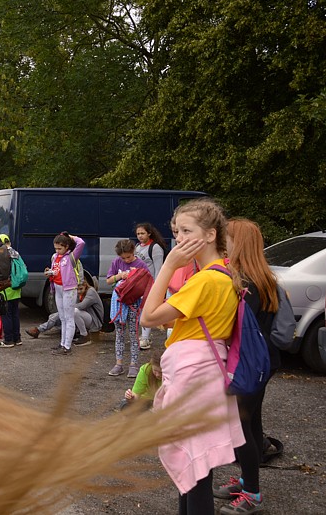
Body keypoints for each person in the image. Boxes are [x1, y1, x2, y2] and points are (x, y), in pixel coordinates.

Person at [140, 197, 245, 515]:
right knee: (197, 470)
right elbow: (177, 318)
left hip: (193, 377)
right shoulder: (225, 272)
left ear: (211, 235)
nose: (179, 239)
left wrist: (170, 265)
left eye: (186, 231)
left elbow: (149, 317)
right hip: (208, 373)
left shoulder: (204, 280)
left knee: (195, 472)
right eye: (176, 232)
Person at [212, 218, 282, 514]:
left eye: (227, 237)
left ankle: (252, 494)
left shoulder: (246, 283)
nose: (223, 242)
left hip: (248, 364)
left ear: (238, 243)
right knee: (252, 424)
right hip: (264, 361)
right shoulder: (263, 278)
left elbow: (234, 326)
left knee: (239, 429)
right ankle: (246, 481)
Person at [107, 239, 150, 377]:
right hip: (119, 303)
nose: (126, 260)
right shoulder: (116, 262)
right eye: (123, 258)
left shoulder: (141, 264)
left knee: (133, 333)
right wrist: (120, 276)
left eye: (129, 257)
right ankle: (118, 364)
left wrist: (134, 276)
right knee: (119, 334)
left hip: (133, 303)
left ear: (133, 252)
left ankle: (134, 364)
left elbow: (148, 281)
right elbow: (108, 280)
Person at [46, 232, 86, 355]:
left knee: (69, 318)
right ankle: (62, 343)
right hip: (58, 288)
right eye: (56, 248)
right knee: (62, 317)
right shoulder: (55, 256)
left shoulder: (72, 257)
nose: (57, 251)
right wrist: (50, 272)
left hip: (69, 289)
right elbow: (57, 271)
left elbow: (81, 243)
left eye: (60, 248)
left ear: (67, 247)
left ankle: (67, 347)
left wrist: (71, 237)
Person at [135, 223, 169, 349]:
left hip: (151, 284)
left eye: (142, 233)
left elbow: (158, 268)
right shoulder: (137, 247)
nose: (140, 236)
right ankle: (143, 336)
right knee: (139, 310)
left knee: (146, 310)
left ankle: (145, 338)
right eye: (138, 234)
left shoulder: (155, 248)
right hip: (139, 284)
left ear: (149, 233)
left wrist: (156, 286)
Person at [0, 234, 22, 348]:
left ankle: (8, 340)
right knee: (15, 314)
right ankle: (17, 338)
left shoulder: (2, 254)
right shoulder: (16, 253)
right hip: (17, 288)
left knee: (6, 315)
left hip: (6, 288)